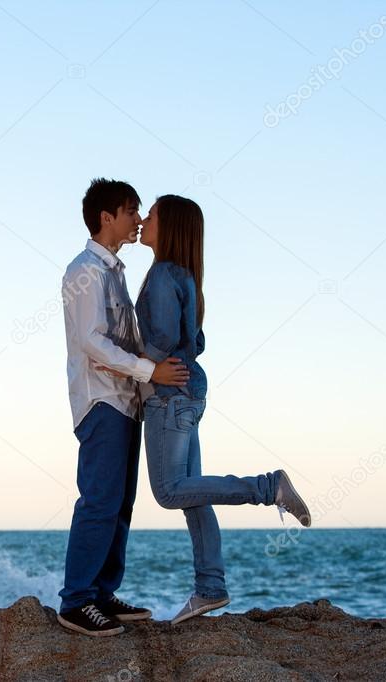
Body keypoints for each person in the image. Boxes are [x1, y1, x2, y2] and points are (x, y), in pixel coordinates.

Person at [135, 194, 312, 626]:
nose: (143, 220)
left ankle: (268, 487)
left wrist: (137, 365)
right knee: (193, 494)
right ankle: (210, 588)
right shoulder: (186, 276)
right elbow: (195, 342)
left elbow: (161, 342)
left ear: (171, 225)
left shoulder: (161, 275)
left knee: (169, 491)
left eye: (152, 214)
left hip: (168, 394)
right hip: (188, 391)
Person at [57, 179, 189, 637]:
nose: (137, 220)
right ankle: (75, 601)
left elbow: (125, 337)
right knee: (99, 500)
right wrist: (150, 370)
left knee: (121, 503)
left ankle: (101, 593)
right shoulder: (84, 272)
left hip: (126, 400)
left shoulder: (114, 271)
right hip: (101, 399)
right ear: (105, 217)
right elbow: (92, 342)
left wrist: (149, 376)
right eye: (131, 211)